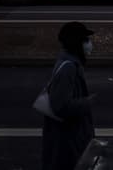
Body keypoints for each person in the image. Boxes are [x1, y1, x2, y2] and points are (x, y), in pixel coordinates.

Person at [41, 21, 96, 170]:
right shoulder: (69, 68)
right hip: (68, 141)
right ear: (76, 43)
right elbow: (60, 106)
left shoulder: (69, 63)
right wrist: (87, 102)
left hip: (68, 138)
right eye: (86, 40)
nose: (89, 44)